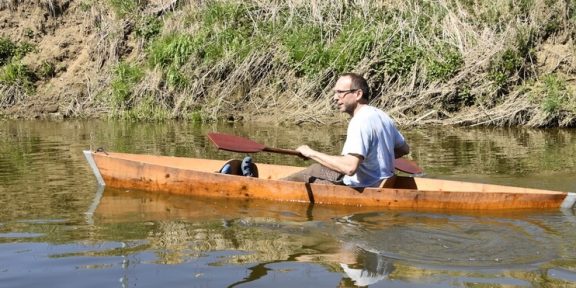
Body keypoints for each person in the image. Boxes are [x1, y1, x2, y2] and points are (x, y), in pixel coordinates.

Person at [283, 73, 409, 187]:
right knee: (315, 169)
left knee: (298, 180)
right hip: (383, 181)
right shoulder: (381, 115)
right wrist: (373, 160)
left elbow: (349, 168)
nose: (335, 98)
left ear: (358, 94)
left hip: (364, 187)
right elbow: (403, 149)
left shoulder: (359, 121)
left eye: (340, 92)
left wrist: (310, 153)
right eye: (335, 93)